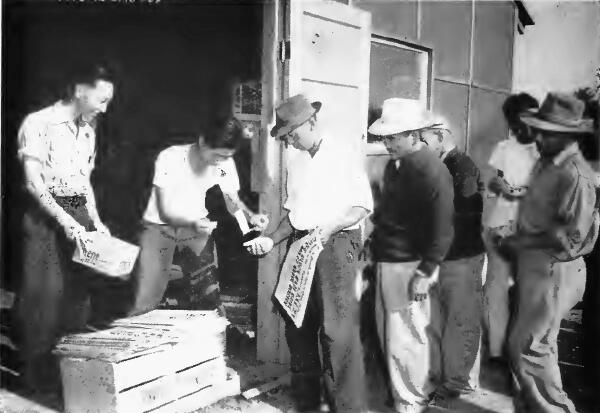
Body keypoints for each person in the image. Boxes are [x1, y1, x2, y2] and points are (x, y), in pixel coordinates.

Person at [244, 94, 373, 413]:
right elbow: (294, 214)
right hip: (301, 244)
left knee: (336, 330)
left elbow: (360, 207)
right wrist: (272, 241)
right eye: (284, 137)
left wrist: (329, 227)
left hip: (335, 244)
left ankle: (348, 406)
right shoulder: (297, 161)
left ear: (312, 122)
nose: (288, 141)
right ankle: (307, 402)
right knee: (297, 322)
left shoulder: (342, 153)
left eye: (292, 134)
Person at [14, 61, 117, 391]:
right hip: (45, 218)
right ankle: (35, 376)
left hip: (77, 214)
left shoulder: (88, 129)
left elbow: (83, 183)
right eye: (101, 99)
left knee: (77, 297)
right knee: (44, 297)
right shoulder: (39, 123)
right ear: (79, 91)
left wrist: (95, 224)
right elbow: (34, 183)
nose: (105, 108)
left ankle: (69, 374)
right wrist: (65, 221)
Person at [495, 92, 598, 413]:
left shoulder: (576, 176)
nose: (536, 136)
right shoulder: (545, 163)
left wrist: (520, 241)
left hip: (555, 270)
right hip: (534, 267)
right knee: (524, 348)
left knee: (528, 349)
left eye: (545, 131)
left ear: (568, 135)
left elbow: (572, 240)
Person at [130, 116, 268, 316]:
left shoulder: (225, 162)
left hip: (197, 228)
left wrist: (249, 218)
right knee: (146, 298)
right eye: (218, 155)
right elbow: (164, 211)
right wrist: (192, 223)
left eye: (227, 156)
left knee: (208, 296)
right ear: (203, 142)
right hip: (158, 226)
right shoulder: (170, 157)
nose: (222, 161)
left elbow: (232, 201)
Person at [368, 98, 454, 413]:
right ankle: (410, 393)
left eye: (392, 137)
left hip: (410, 265)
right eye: (385, 137)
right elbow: (391, 214)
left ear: (413, 135)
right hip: (388, 260)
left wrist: (426, 271)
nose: (386, 143)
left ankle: (411, 401)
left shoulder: (432, 170)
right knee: (392, 334)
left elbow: (442, 229)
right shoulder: (395, 165)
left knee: (406, 337)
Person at [419, 123, 486, 401]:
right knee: (444, 321)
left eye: (425, 141)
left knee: (461, 321)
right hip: (447, 257)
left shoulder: (463, 166)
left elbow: (465, 213)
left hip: (462, 257)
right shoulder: (445, 165)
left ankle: (459, 383)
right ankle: (450, 378)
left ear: (442, 137)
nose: (423, 147)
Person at [482, 93, 539, 364]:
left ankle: (523, 351)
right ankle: (496, 350)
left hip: (532, 232)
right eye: (516, 122)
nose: (521, 128)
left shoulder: (547, 152)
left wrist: (524, 192)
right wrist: (498, 186)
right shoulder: (504, 148)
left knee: (528, 292)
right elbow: (495, 182)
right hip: (500, 227)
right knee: (496, 289)